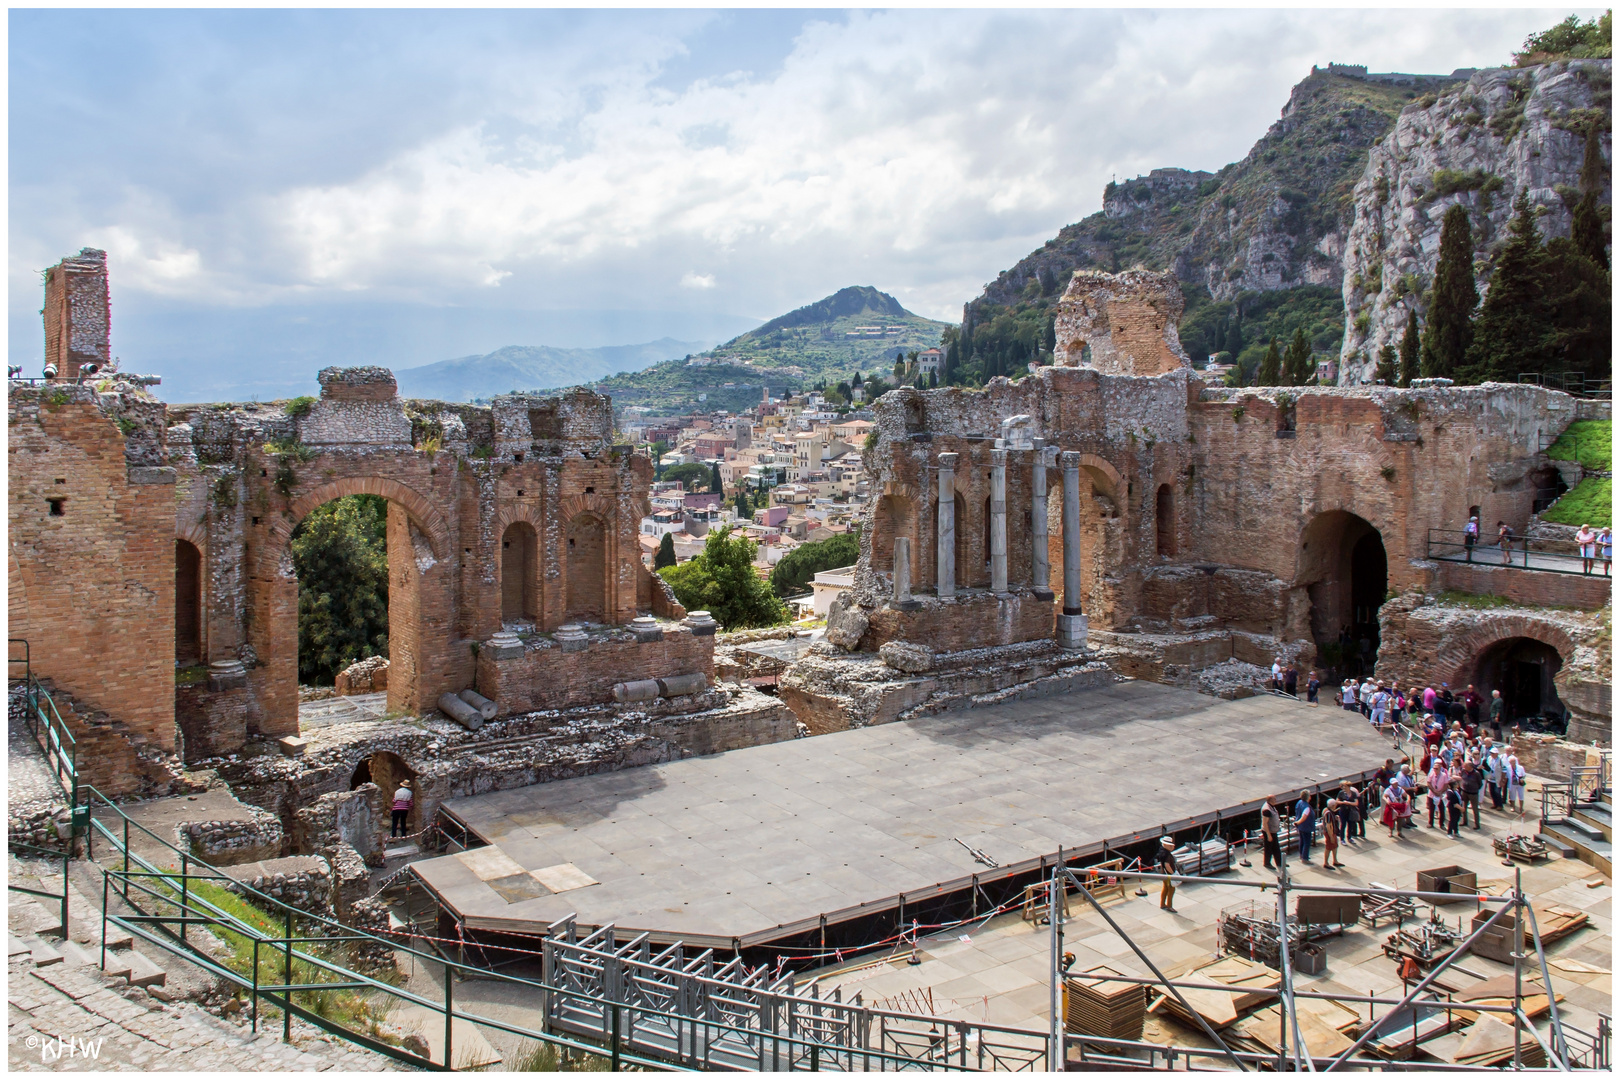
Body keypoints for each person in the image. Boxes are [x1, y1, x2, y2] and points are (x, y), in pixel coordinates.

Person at [1458, 760, 1484, 830]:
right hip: (1464, 792)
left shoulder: (1476, 774)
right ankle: (1465, 821)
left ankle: (1477, 824)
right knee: (1464, 807)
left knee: (1475, 809)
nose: (1464, 767)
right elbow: (1461, 777)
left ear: (1470, 767)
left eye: (1465, 766)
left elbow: (1480, 784)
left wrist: (1475, 789)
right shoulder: (1463, 771)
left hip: (1473, 793)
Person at [1427, 757, 1451, 828]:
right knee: (1431, 809)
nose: (1435, 770)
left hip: (1440, 795)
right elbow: (1428, 783)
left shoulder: (1443, 775)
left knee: (1442, 810)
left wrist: (1440, 792)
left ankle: (1442, 824)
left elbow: (1446, 784)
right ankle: (1431, 823)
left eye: (1436, 769)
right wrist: (1434, 791)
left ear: (1440, 768)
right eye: (1434, 768)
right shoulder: (1431, 774)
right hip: (1432, 794)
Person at [1260, 795, 1283, 871]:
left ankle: (1279, 862)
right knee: (1268, 848)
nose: (1276, 800)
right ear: (1270, 800)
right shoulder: (1266, 810)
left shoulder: (1271, 806)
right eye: (1274, 799)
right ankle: (1267, 863)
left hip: (1273, 831)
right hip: (1269, 831)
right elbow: (1265, 823)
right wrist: (1268, 835)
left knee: (1276, 847)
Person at [1157, 837, 1179, 912]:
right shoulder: (1167, 855)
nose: (1172, 847)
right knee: (1171, 889)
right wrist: (1173, 874)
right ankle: (1169, 906)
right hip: (1168, 875)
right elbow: (1167, 865)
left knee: (1165, 888)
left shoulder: (1161, 851)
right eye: (1170, 846)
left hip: (1163, 874)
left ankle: (1162, 903)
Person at [1321, 800, 1343, 868]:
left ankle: (1335, 860)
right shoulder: (1328, 813)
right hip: (1330, 833)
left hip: (1333, 832)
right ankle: (1326, 863)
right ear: (1332, 805)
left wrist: (1335, 817)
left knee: (1335, 846)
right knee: (1329, 847)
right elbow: (1328, 825)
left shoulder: (1328, 811)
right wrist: (1331, 836)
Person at [1294, 792, 1315, 863]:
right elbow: (1304, 816)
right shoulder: (1307, 807)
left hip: (1300, 827)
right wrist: (1298, 822)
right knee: (1307, 842)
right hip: (1306, 826)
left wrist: (1297, 823)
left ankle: (1301, 854)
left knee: (1302, 840)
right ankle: (1305, 858)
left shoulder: (1299, 802)